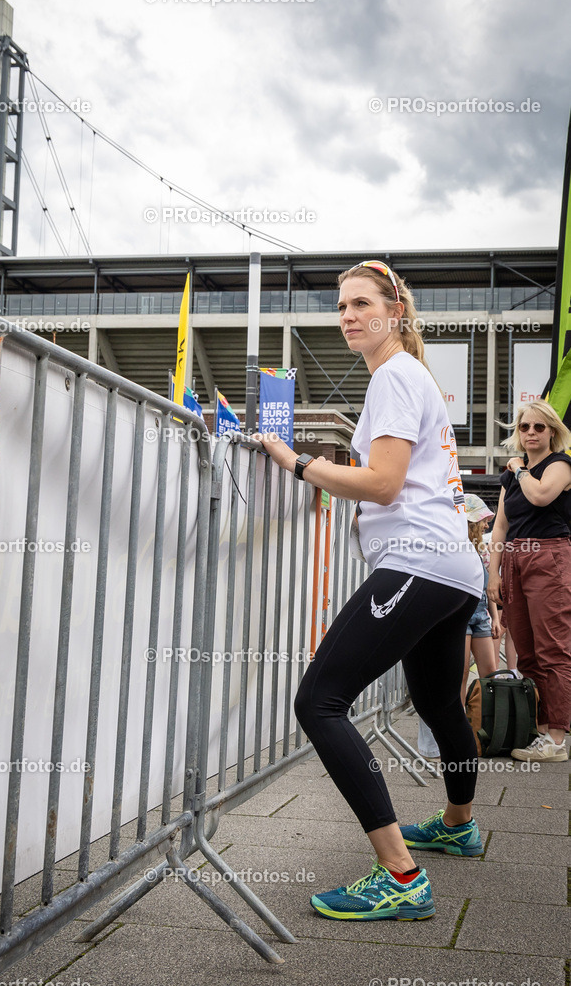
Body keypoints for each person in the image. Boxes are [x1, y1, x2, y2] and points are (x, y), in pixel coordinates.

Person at [255, 260, 484, 922]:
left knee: (320, 701)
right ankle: (459, 825)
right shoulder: (414, 378)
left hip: (420, 561)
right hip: (449, 566)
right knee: (440, 701)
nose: (349, 315)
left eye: (361, 303)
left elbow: (385, 483)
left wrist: (300, 463)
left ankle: (401, 876)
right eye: (341, 306)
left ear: (395, 312)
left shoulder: (392, 375)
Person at [487, 400, 571, 762]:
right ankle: (539, 731)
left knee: (554, 648)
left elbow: (540, 495)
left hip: (550, 556)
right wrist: (493, 573)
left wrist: (521, 470)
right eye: (524, 428)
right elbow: (499, 527)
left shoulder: (561, 465)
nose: (531, 433)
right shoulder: (510, 476)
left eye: (539, 427)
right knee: (525, 651)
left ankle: (557, 738)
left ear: (552, 431)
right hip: (516, 560)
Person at [460, 494, 500, 705]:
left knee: (490, 673)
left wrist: (495, 618)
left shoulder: (483, 551)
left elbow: (488, 589)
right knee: (462, 673)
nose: (486, 525)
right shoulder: (456, 548)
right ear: (472, 522)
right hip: (461, 616)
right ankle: (459, 727)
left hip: (481, 614)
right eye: (484, 520)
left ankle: (489, 722)